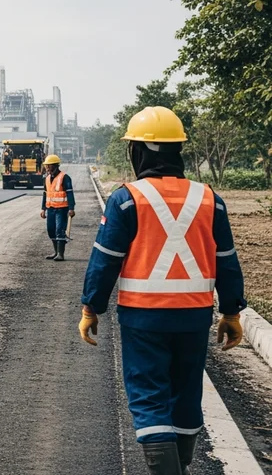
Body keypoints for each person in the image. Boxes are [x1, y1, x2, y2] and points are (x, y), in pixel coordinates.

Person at [79, 106, 246, 474]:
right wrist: (232, 312)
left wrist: (91, 307)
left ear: (136, 151)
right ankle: (180, 466)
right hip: (194, 317)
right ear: (178, 150)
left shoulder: (126, 200)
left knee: (148, 395)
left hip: (143, 320)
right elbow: (227, 262)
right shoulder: (210, 199)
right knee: (186, 393)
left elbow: (105, 260)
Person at [41, 154, 75, 261]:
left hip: (61, 209)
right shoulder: (46, 179)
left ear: (55, 165)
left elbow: (70, 194)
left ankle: (61, 254)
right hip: (50, 208)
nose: (47, 168)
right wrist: (43, 209)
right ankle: (55, 252)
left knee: (59, 229)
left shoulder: (65, 177)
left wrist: (71, 208)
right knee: (51, 230)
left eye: (49, 166)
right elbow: (45, 194)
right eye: (46, 166)